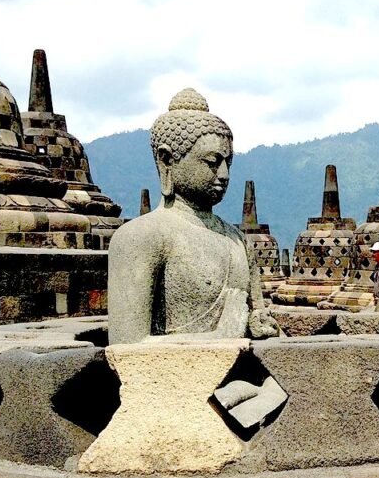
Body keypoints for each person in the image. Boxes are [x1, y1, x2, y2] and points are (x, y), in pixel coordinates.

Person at [108, 89, 278, 345]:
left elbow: (259, 322)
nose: (223, 174)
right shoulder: (140, 238)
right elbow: (126, 347)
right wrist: (221, 337)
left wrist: (261, 326)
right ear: (167, 161)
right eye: (212, 161)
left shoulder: (238, 241)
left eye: (228, 163)